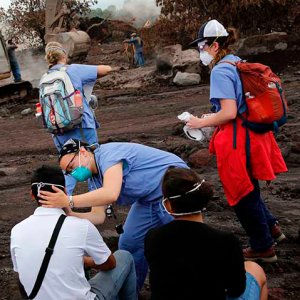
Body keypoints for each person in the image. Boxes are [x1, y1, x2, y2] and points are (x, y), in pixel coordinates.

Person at [187, 19, 287, 262]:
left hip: (237, 141)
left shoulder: (220, 69)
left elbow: (230, 112)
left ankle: (263, 247)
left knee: (241, 193)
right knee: (250, 186)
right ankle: (271, 228)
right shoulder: (236, 62)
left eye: (201, 46)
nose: (199, 51)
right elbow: (237, 107)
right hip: (253, 135)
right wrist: (215, 116)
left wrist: (200, 123)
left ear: (212, 45)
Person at [38, 139, 189, 293]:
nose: (73, 173)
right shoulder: (95, 180)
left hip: (174, 187)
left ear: (82, 151)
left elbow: (111, 193)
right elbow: (98, 216)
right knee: (129, 244)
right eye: (69, 172)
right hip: (149, 199)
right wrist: (70, 214)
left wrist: (69, 200)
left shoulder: (108, 155)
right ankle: (130, 293)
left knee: (181, 243)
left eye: (71, 166)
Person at [10, 165, 137, 300]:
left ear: (31, 194)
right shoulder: (81, 227)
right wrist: (87, 262)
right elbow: (110, 264)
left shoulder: (17, 230)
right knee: (124, 256)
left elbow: (21, 274)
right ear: (64, 192)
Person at [145, 167, 268, 300]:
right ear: (202, 198)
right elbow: (237, 289)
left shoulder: (153, 236)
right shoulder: (225, 240)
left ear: (168, 204)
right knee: (254, 268)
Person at [43, 42, 112, 195]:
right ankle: (99, 201)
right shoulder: (72, 70)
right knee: (92, 161)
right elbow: (107, 69)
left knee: (69, 165)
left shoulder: (45, 77)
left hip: (58, 130)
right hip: (81, 125)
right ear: (64, 56)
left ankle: (64, 202)